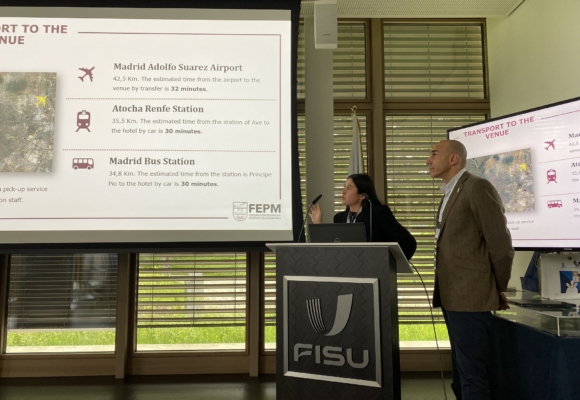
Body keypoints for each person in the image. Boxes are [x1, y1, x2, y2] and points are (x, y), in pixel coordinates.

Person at [426, 140, 514, 400]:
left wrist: (496, 287)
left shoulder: (477, 187)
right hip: (452, 294)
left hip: (470, 296)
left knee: (473, 375)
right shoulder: (450, 191)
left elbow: (500, 244)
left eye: (434, 154)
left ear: (454, 158)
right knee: (461, 372)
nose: (428, 160)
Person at [308, 173, 416, 260]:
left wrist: (389, 263)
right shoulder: (339, 218)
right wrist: (318, 224)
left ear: (362, 196)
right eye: (344, 186)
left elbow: (408, 242)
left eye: (349, 188)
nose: (343, 191)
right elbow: (332, 249)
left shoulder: (378, 213)